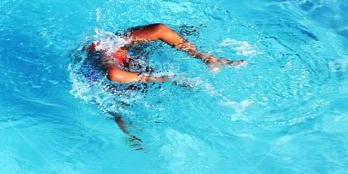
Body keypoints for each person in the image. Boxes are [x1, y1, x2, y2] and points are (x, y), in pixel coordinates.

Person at [83, 23, 244, 145]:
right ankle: (129, 137)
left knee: (159, 53)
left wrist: (205, 57)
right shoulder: (102, 50)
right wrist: (160, 78)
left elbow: (160, 30)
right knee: (120, 107)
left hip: (125, 63)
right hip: (103, 81)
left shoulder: (122, 41)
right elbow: (113, 75)